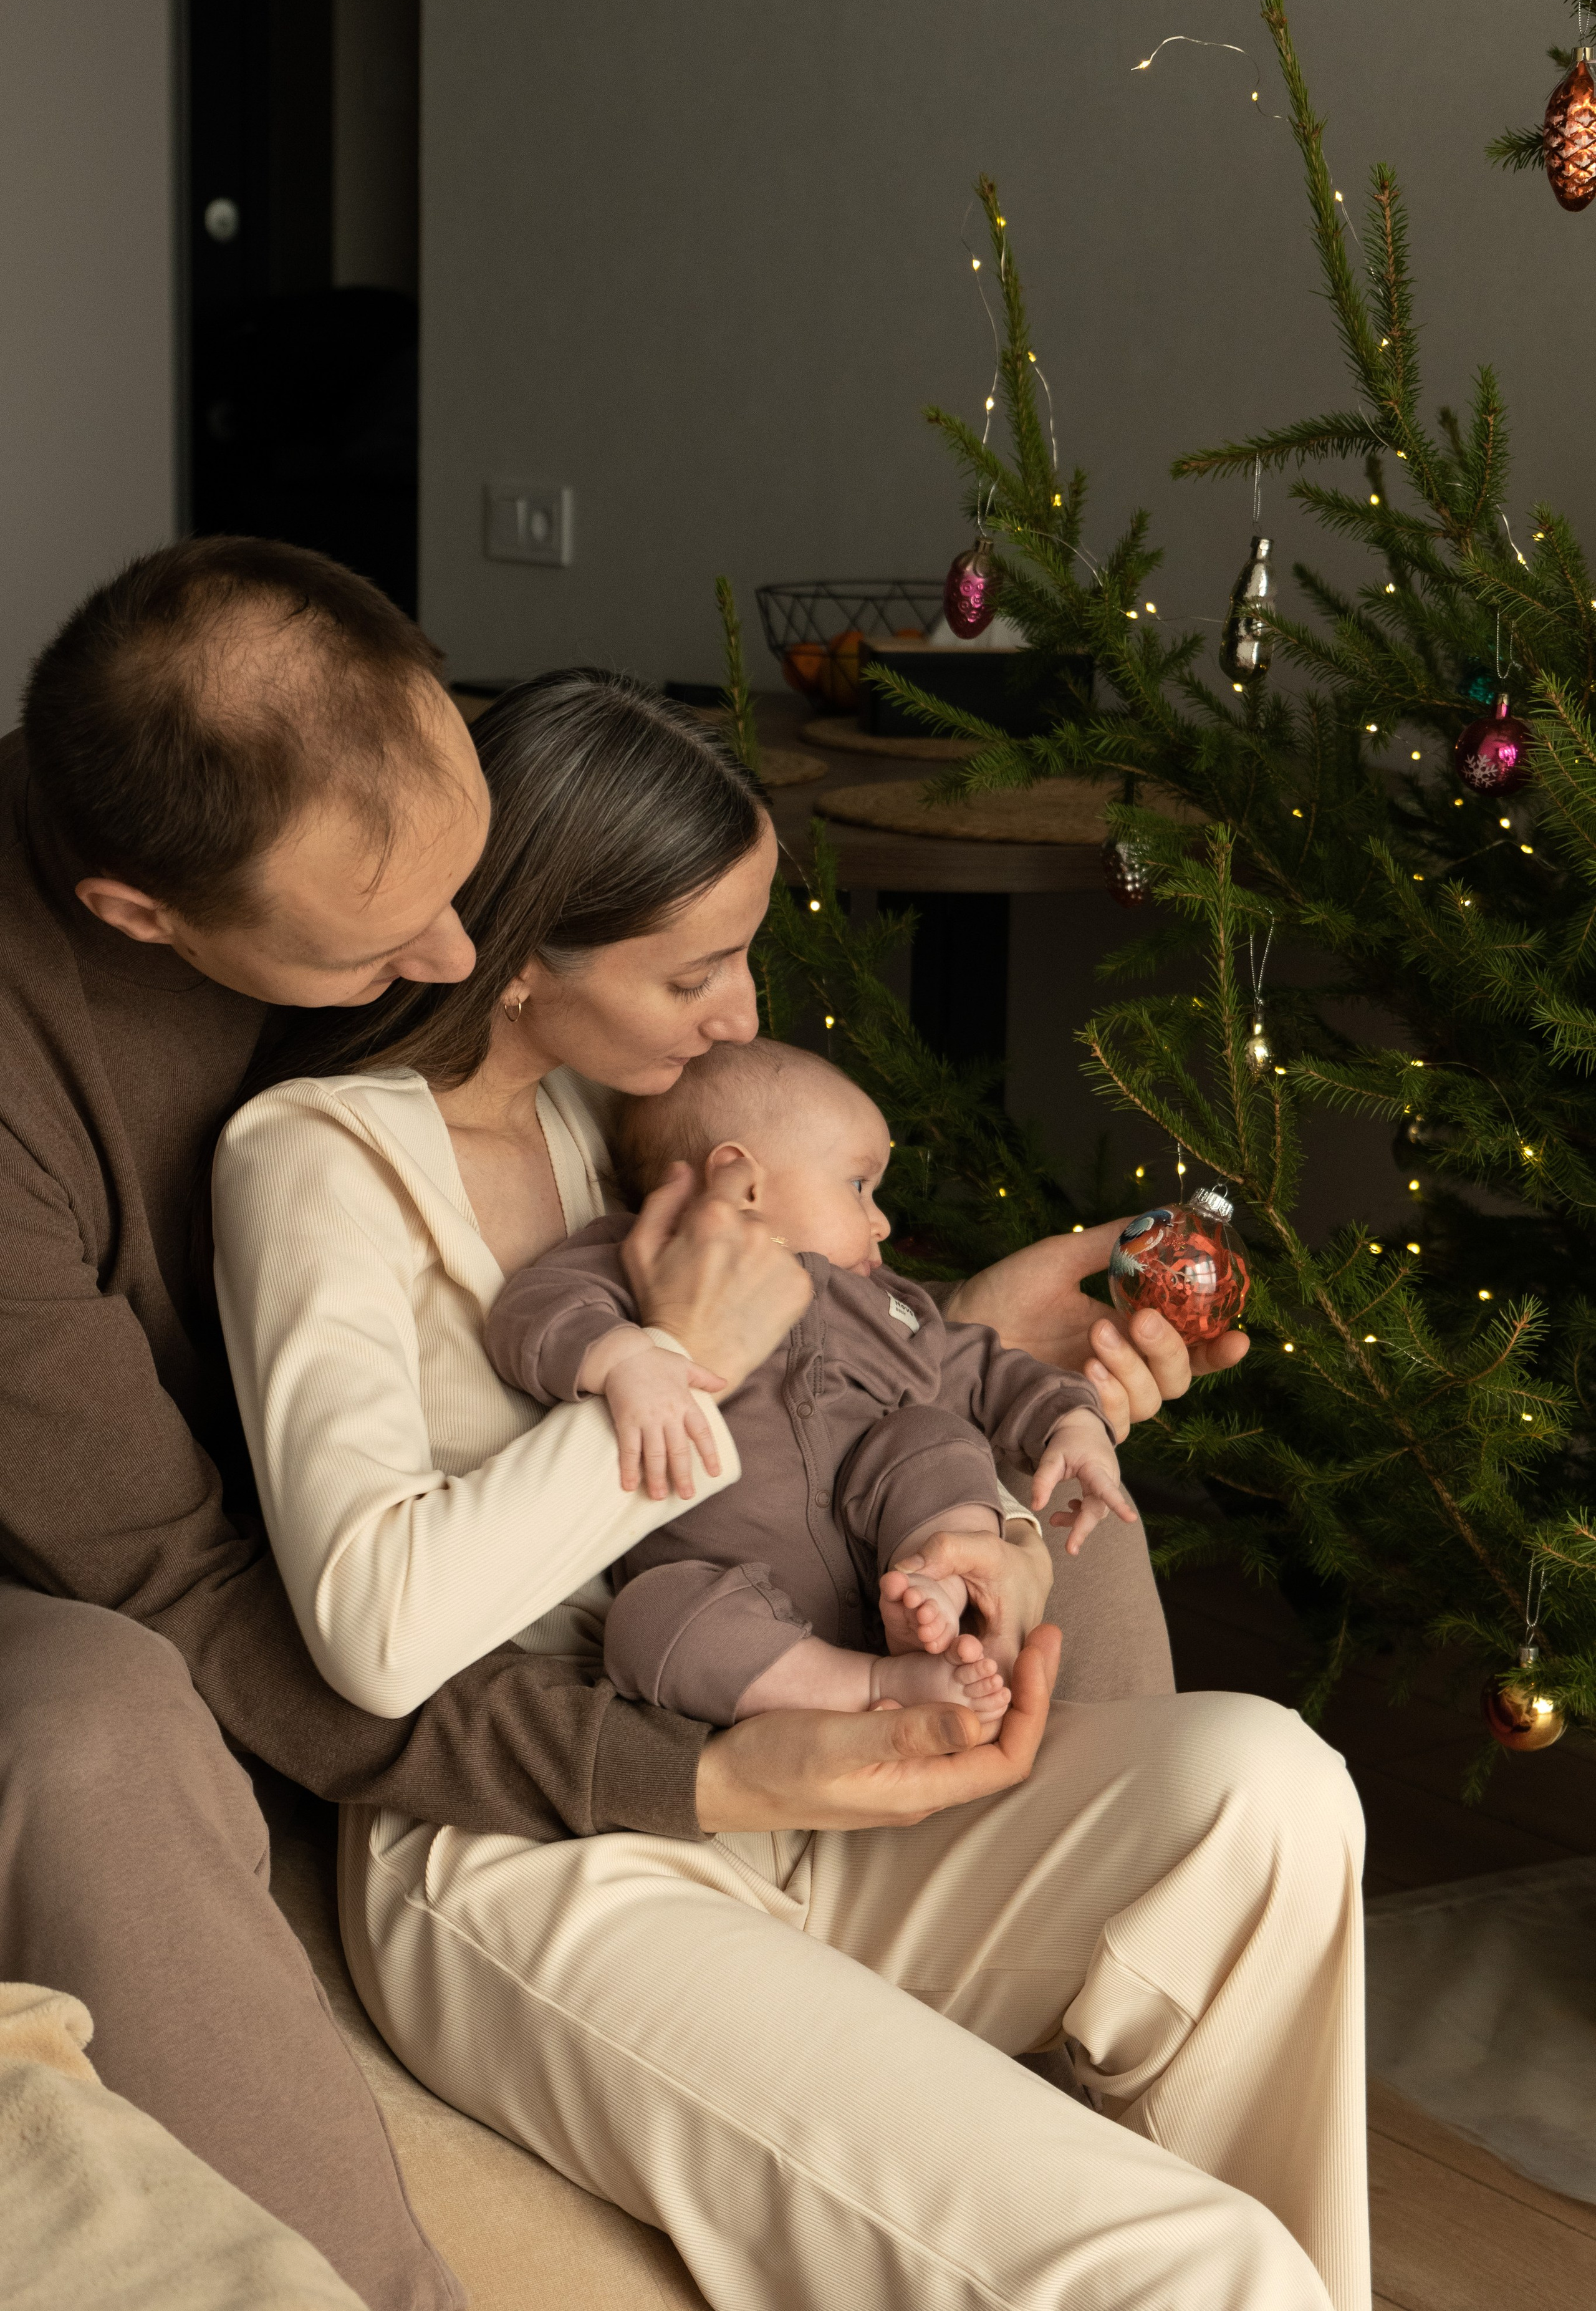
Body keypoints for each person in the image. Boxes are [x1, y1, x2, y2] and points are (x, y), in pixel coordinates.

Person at [0, 541, 1215, 2308]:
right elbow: (207, 1607)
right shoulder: (160, 1118)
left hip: (547, 1553)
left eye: (472, 871)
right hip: (173, 1598)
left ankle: (1042, 2118)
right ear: (141, 917)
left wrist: (941, 1359)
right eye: (381, 941)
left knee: (1047, 1517)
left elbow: (712, 1320)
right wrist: (676, 1772)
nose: (459, 944)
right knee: (101, 1723)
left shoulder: (420, 839)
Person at [213, 662, 1370, 2311]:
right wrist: (668, 1354)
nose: (745, 1015)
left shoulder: (626, 1129)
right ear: (519, 955)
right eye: (699, 969)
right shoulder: (317, 1162)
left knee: (1272, 1789)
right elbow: (375, 1633)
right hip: (539, 1846)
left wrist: (980, 1372)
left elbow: (790, 1439)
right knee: (1195, 2265)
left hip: (801, 1761)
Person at [484, 1036, 1138, 1730]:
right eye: (858, 1186)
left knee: (932, 1435)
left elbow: (983, 1367)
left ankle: (942, 1583)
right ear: (744, 1180)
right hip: (733, 1594)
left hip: (882, 1553)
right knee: (647, 1618)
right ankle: (873, 1683)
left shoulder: (887, 1308)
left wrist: (1075, 1423)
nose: (882, 1221)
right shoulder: (651, 1260)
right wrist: (625, 1360)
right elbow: (532, 1308)